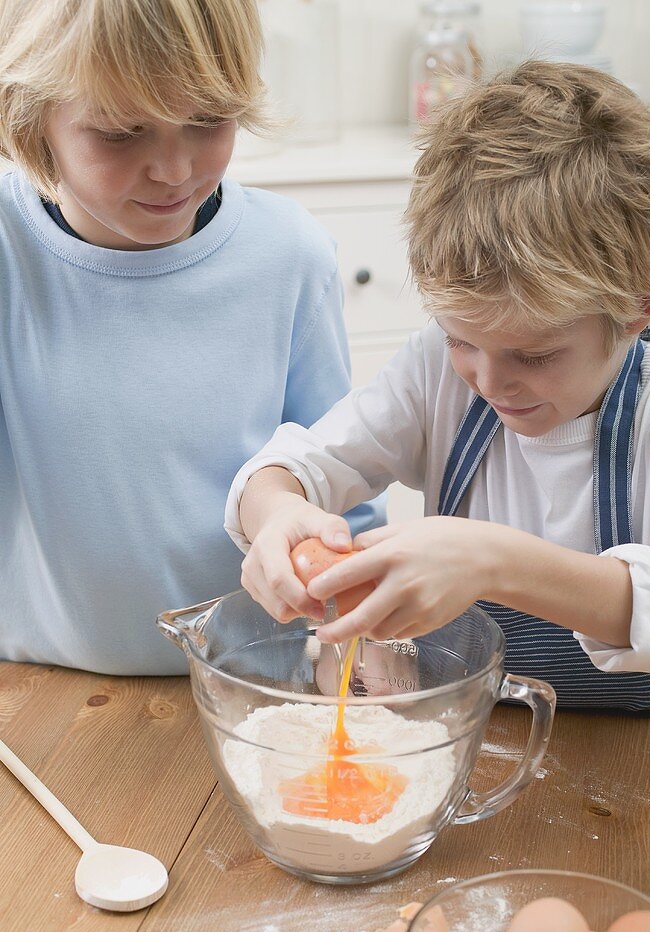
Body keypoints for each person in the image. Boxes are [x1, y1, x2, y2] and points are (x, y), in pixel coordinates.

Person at [227, 61, 650, 712]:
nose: (490, 381)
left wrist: (492, 561)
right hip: (484, 738)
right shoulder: (438, 373)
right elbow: (293, 467)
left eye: (535, 353)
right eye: (461, 339)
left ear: (639, 307)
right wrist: (278, 514)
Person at [0, 0, 381, 675]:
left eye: (207, 120)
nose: (174, 170)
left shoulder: (288, 256)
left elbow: (343, 489)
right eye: (120, 132)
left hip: (254, 691)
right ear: (31, 118)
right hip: (38, 693)